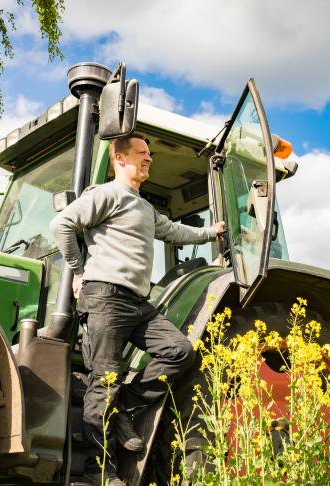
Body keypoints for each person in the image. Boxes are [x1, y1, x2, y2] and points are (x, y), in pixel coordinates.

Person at [50, 133, 226, 486]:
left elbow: (175, 231)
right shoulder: (105, 195)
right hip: (105, 297)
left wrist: (211, 233)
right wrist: (79, 270)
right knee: (104, 381)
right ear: (120, 159)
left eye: (149, 155)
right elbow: (62, 225)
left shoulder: (145, 208)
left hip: (136, 302)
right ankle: (101, 473)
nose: (149, 159)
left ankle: (124, 404)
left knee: (179, 351)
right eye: (141, 154)